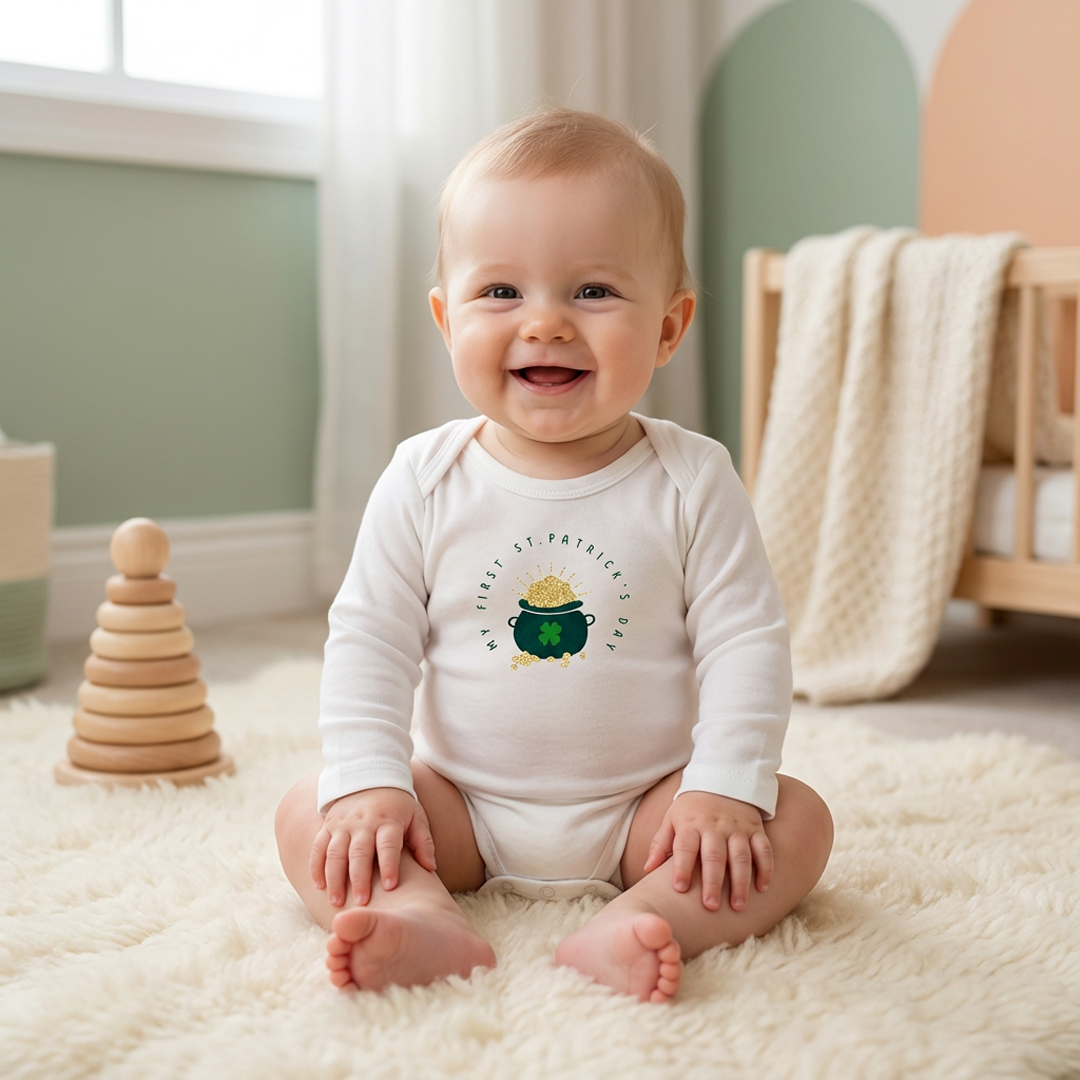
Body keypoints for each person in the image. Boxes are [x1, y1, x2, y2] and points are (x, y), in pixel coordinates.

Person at [275, 106, 833, 1004]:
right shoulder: (425, 477)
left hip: (648, 812)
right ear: (444, 317)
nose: (544, 324)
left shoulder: (692, 477)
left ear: (668, 327)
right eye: (500, 293)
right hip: (458, 807)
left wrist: (722, 789)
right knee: (312, 808)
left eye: (592, 292)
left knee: (796, 819)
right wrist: (375, 788)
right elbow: (371, 641)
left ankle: (646, 921)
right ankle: (423, 914)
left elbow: (746, 642)